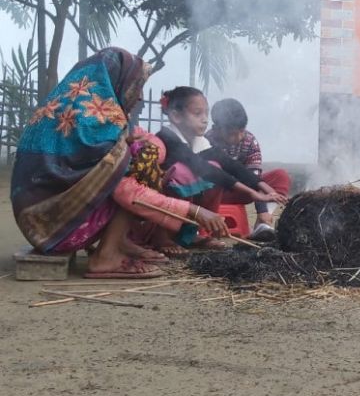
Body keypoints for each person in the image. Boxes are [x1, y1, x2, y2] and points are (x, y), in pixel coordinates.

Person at [11, 48, 228, 278]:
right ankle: (107, 256)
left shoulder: (78, 109)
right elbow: (127, 192)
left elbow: (141, 137)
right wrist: (194, 211)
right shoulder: (96, 123)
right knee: (140, 162)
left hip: (39, 218)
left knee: (142, 152)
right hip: (52, 225)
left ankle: (119, 242)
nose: (140, 96)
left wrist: (148, 145)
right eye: (136, 86)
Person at [151, 87, 284, 255]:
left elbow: (230, 165)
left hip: (182, 206)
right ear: (176, 116)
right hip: (155, 207)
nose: (205, 120)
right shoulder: (167, 137)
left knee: (217, 166)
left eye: (206, 114)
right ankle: (162, 237)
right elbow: (207, 170)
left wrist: (265, 188)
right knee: (185, 172)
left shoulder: (199, 141)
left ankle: (190, 235)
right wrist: (254, 193)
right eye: (198, 114)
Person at [206, 98, 291, 236]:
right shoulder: (207, 141)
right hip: (215, 194)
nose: (239, 137)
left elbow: (254, 177)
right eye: (232, 134)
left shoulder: (250, 141)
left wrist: (262, 210)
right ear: (216, 129)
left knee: (281, 176)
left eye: (242, 131)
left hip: (245, 191)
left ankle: (262, 224)